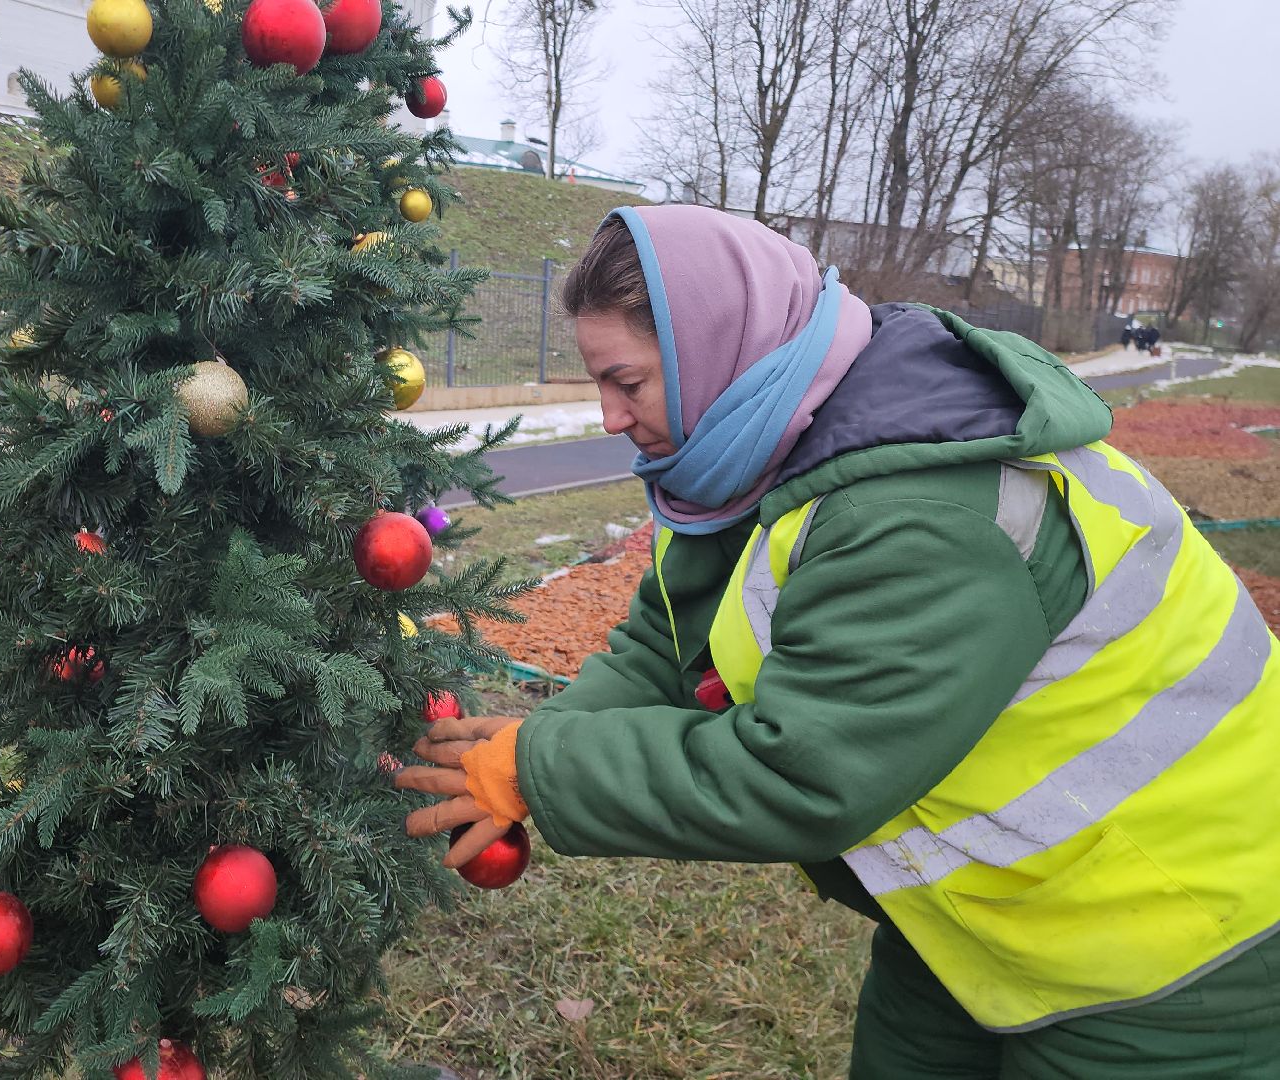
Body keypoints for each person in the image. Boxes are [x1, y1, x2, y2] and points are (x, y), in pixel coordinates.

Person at [395, 204, 1280, 1078]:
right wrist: (513, 755)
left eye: (627, 383)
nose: (611, 418)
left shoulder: (919, 515)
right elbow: (665, 644)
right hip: (980, 917)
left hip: (1173, 946)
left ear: (717, 350)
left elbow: (803, 772)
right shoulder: (744, 458)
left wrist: (541, 766)